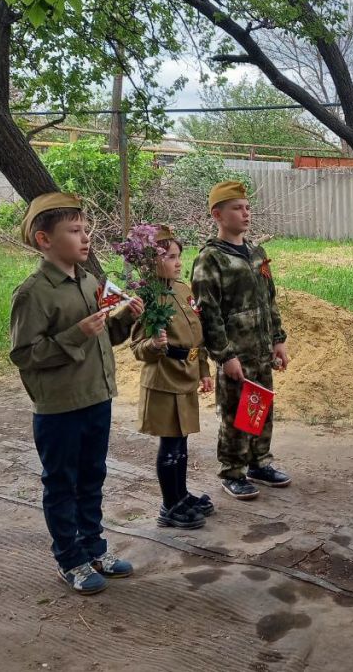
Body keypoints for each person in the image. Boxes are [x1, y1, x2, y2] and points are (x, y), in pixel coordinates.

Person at [9, 193, 144, 595]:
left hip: (95, 398)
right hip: (60, 407)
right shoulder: (34, 292)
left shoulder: (88, 281)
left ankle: (94, 548)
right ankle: (70, 560)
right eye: (74, 231)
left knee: (92, 478)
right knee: (62, 483)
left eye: (87, 230)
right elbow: (24, 354)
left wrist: (123, 321)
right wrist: (75, 332)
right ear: (43, 239)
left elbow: (99, 340)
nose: (86, 238)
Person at [190, 181, 291, 501]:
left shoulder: (256, 252)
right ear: (217, 215)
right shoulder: (210, 259)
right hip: (235, 352)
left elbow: (269, 299)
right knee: (235, 411)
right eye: (237, 208)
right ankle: (233, 470)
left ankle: (259, 462)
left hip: (261, 348)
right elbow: (208, 313)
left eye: (247, 207)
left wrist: (278, 339)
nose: (246, 213)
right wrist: (224, 355)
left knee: (261, 405)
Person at [130, 226, 215, 529]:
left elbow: (197, 336)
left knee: (181, 443)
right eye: (170, 256)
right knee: (170, 445)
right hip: (165, 381)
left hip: (186, 376)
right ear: (152, 261)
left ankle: (181, 495)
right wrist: (153, 346)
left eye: (179, 255)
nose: (178, 262)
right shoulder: (148, 298)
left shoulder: (183, 290)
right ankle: (169, 506)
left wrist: (204, 370)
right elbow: (137, 347)